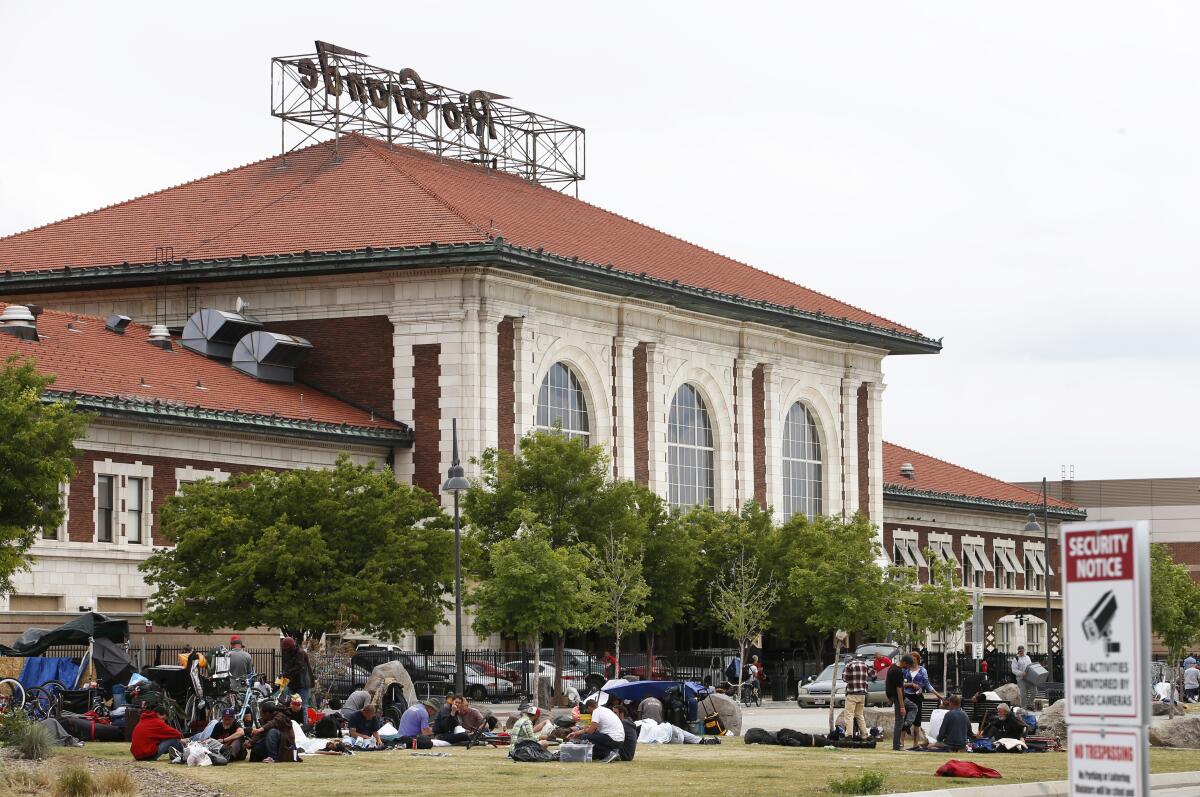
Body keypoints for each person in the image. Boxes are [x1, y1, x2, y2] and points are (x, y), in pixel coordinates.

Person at [904, 651, 942, 748]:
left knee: (917, 721)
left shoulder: (922, 670)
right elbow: (900, 684)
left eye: (914, 658)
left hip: (917, 697)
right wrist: (910, 684)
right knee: (904, 719)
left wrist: (938, 695)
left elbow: (927, 685)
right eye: (910, 658)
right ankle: (901, 742)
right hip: (907, 696)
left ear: (918, 659)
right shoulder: (905, 670)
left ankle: (915, 743)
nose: (912, 660)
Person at [567, 697, 624, 763]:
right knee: (592, 736)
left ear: (589, 707)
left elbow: (591, 731)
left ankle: (609, 753)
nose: (588, 712)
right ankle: (613, 752)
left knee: (585, 737)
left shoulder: (596, 712)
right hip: (620, 740)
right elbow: (592, 728)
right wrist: (576, 733)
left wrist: (582, 732)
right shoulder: (605, 710)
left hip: (613, 739)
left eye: (587, 710)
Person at [280, 636, 315, 713]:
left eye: (287, 649)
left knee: (302, 706)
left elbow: (298, 667)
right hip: (293, 684)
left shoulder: (300, 653)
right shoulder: (288, 654)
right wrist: (281, 679)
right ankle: (293, 722)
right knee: (291, 705)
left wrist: (285, 674)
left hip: (303, 684)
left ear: (291, 647)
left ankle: (304, 724)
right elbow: (286, 668)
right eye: (284, 649)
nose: (285, 651)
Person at [841, 656, 870, 740]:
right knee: (860, 715)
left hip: (852, 693)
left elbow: (844, 678)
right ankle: (865, 734)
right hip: (862, 694)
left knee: (849, 715)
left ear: (847, 661)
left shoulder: (849, 665)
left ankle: (849, 735)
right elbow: (873, 674)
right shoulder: (864, 664)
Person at [886, 655, 911, 751]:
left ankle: (907, 723)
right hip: (898, 698)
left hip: (893, 697)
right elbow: (899, 690)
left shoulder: (892, 667)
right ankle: (896, 745)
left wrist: (889, 696)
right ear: (904, 662)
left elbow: (887, 683)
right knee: (899, 722)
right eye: (908, 665)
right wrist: (902, 706)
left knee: (913, 707)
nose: (908, 668)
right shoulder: (898, 672)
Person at [1011, 646, 1033, 710]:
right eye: (1020, 651)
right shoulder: (1016, 659)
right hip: (1021, 679)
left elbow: (1030, 666)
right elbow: (1014, 670)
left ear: (1024, 650)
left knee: (1034, 691)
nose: (1021, 652)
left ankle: (1028, 704)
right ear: (1018, 651)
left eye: (1022, 651)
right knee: (1023, 694)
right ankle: (1023, 708)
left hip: (1029, 678)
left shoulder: (1027, 657)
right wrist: (1021, 673)